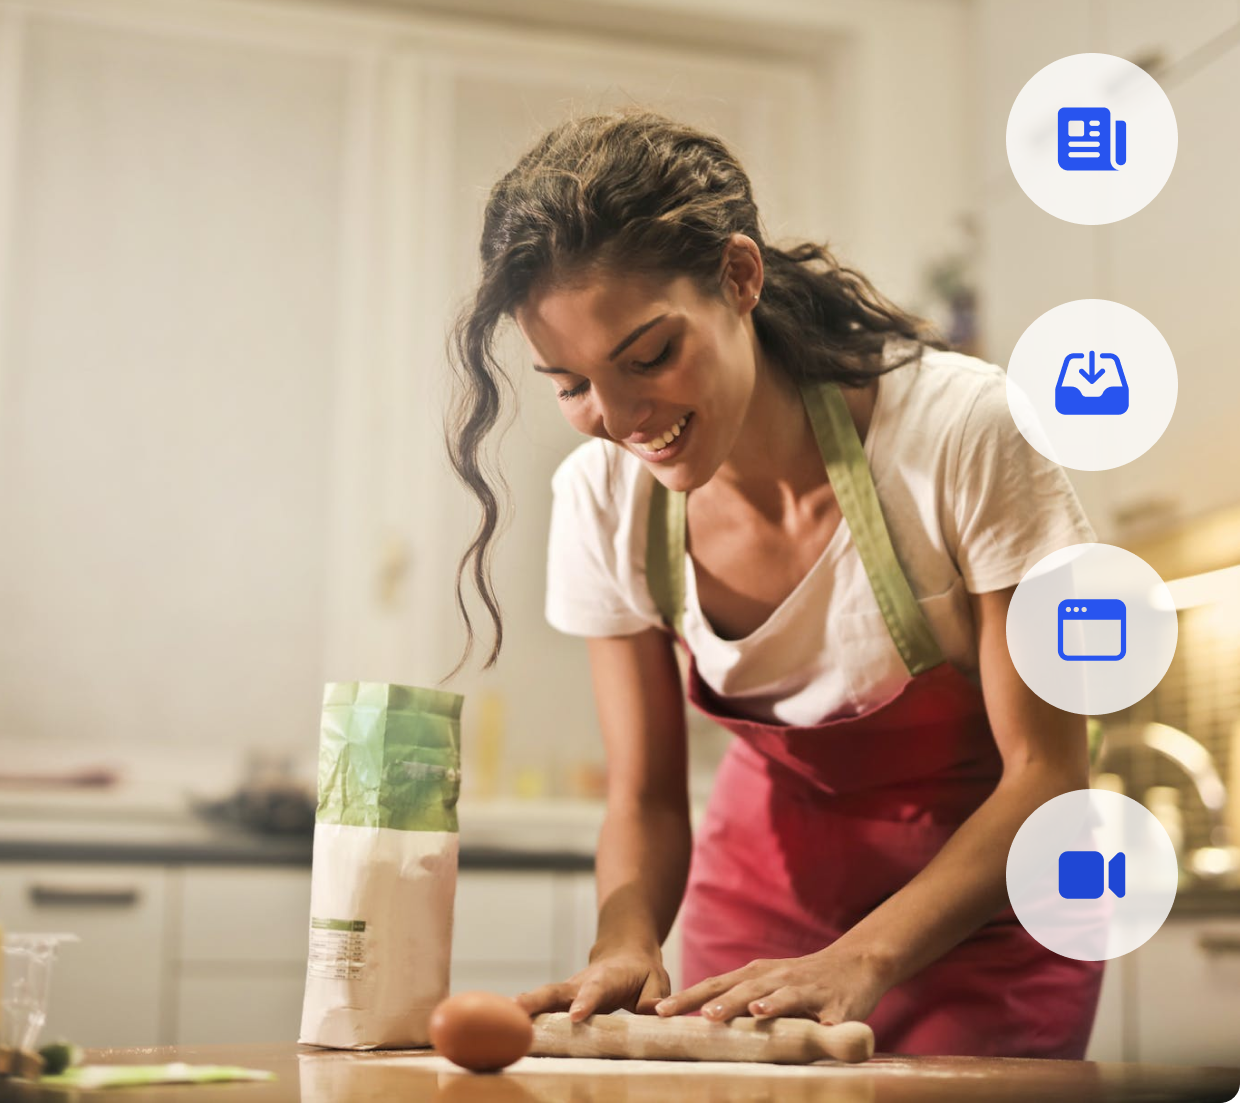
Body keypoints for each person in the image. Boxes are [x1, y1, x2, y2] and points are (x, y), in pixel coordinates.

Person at [444, 110, 1104, 1058]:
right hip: (758, 921)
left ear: (740, 278)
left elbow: (1049, 777)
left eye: (649, 357)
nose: (622, 416)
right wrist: (624, 941)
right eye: (571, 382)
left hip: (989, 926)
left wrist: (861, 960)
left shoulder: (964, 434)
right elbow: (646, 798)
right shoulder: (602, 501)